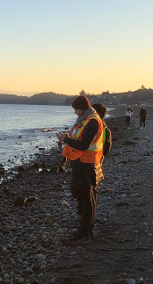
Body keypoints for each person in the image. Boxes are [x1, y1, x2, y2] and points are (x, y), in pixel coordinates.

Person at [56, 96, 104, 244]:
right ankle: (86, 229)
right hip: (83, 163)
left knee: (85, 196)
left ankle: (85, 233)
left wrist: (66, 140)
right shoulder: (86, 120)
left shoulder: (92, 121)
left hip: (86, 163)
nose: (74, 112)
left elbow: (83, 145)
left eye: (75, 109)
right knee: (85, 195)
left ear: (82, 108)